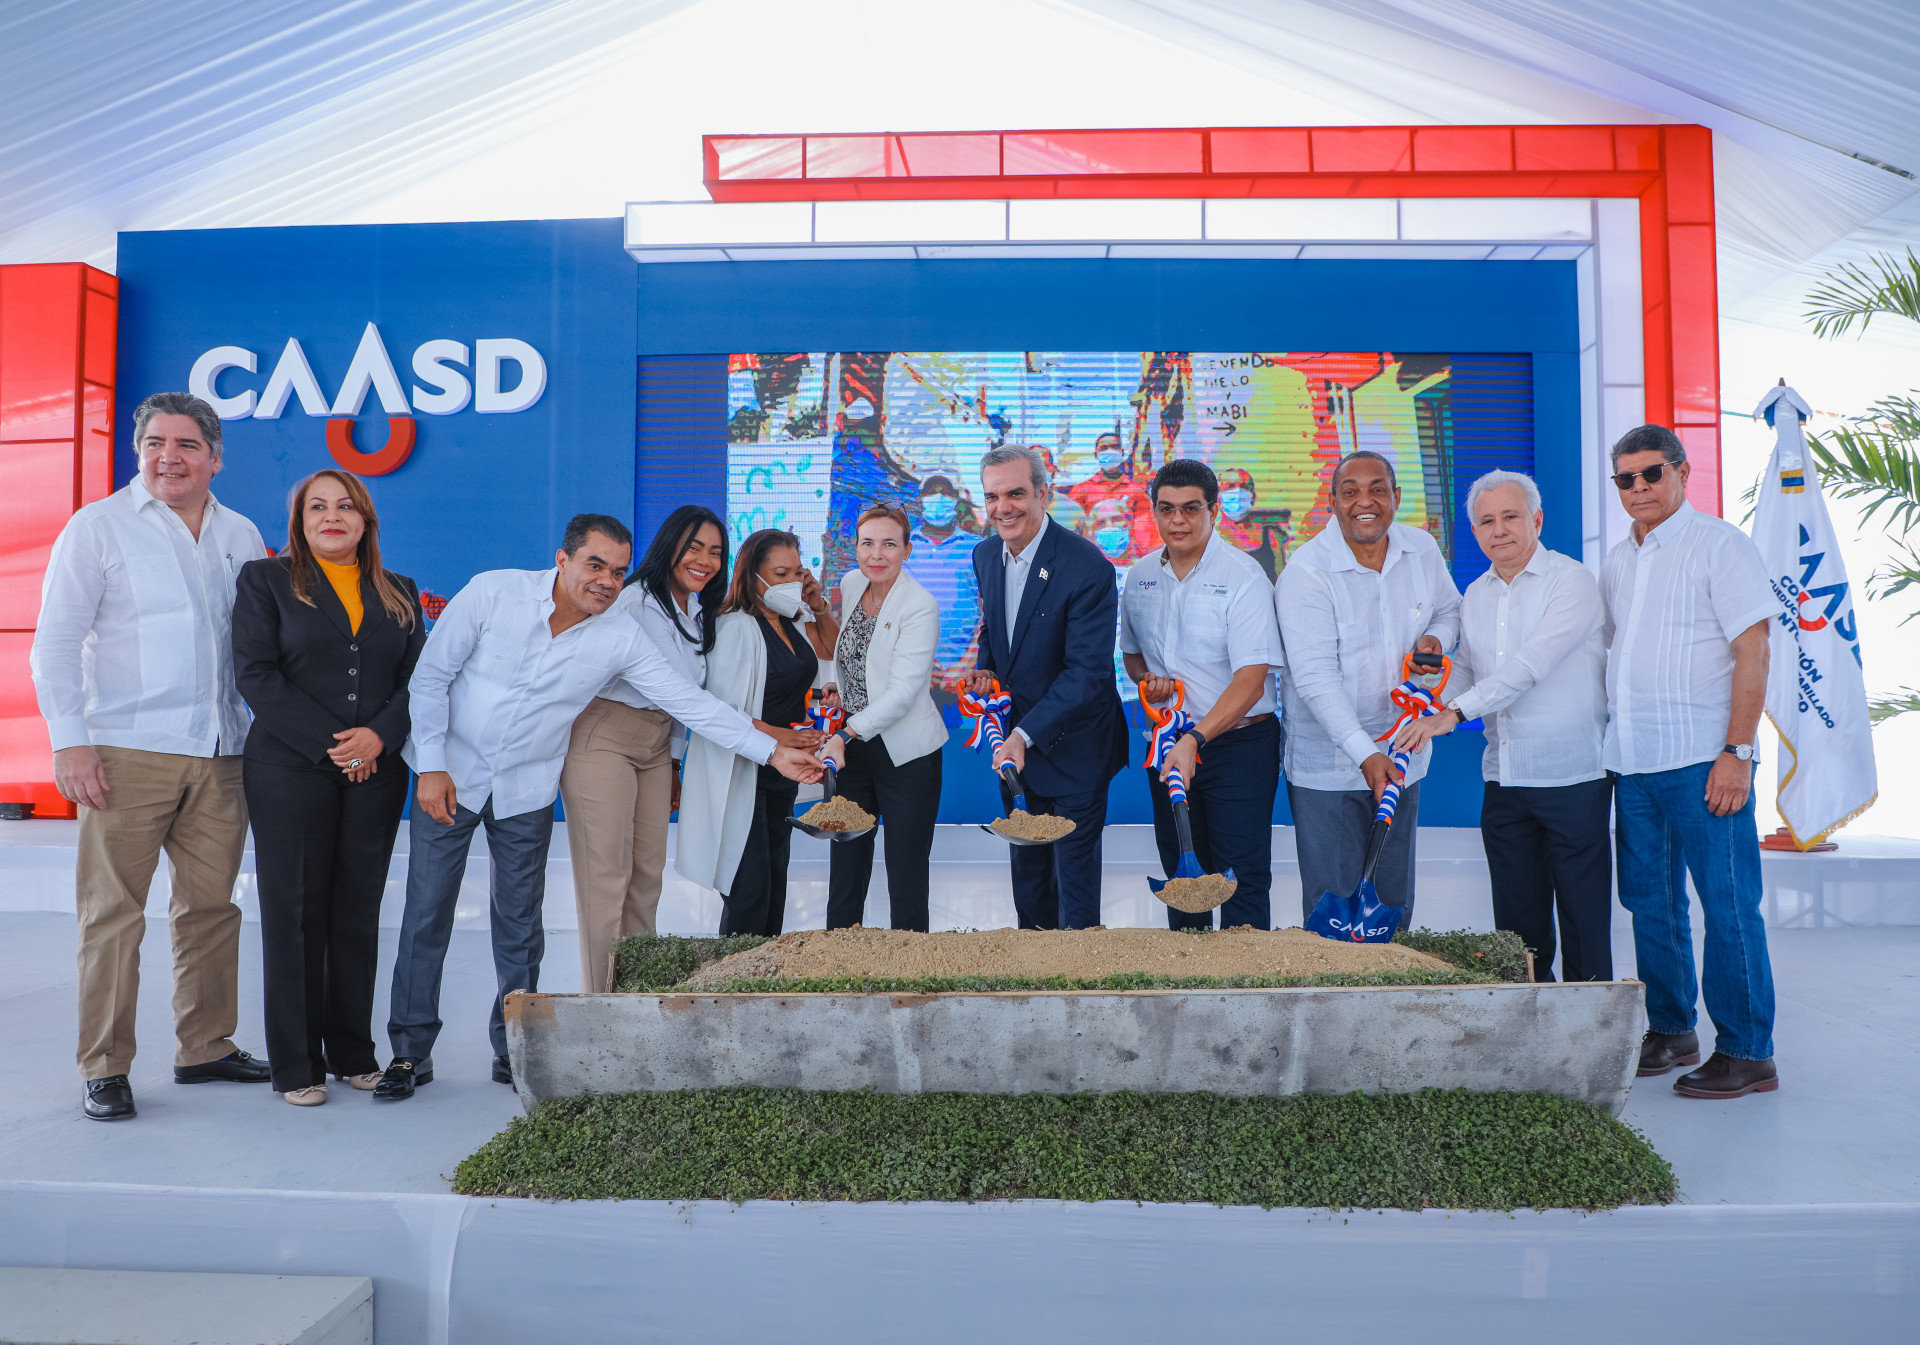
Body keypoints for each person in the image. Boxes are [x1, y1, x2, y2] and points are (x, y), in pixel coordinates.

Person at [382, 515, 822, 1100]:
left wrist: (773, 753)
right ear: (562, 559)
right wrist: (433, 764)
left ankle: (513, 1046)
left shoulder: (619, 634)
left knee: (520, 926)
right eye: (595, 565)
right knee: (427, 913)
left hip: (527, 787)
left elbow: (688, 701)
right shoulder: (494, 592)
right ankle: (410, 1053)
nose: (607, 581)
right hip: (451, 778)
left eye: (618, 571)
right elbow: (432, 677)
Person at [31, 391, 272, 1122]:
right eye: (155, 443)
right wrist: (69, 740)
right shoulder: (97, 526)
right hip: (125, 752)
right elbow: (55, 641)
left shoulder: (241, 532)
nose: (170, 457)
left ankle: (205, 1046)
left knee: (212, 908)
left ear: (215, 457)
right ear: (138, 453)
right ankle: (105, 1067)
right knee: (112, 915)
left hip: (222, 752)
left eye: (187, 444)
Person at [232, 470, 426, 1105]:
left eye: (345, 506)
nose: (332, 516)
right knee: (293, 913)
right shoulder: (265, 581)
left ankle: (352, 1053)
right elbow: (256, 674)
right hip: (289, 768)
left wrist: (378, 738)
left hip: (376, 772)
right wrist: (337, 744)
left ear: (365, 520)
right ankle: (297, 1066)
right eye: (317, 507)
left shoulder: (399, 590)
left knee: (356, 912)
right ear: (300, 521)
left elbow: (419, 681)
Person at [1601, 425, 1779, 1098]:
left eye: (1652, 473)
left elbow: (1753, 651)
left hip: (1705, 761)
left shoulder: (1720, 545)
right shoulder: (1619, 560)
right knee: (1650, 904)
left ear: (1681, 472)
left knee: (1728, 905)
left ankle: (1747, 1051)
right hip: (1634, 762)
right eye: (1626, 478)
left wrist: (1738, 752)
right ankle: (1673, 1030)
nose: (1639, 487)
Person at [1391, 470, 1610, 982]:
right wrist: (1423, 702)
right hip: (1504, 778)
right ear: (1474, 532)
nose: (1499, 529)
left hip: (1572, 777)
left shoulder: (1571, 581)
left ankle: (1589, 1019)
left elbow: (1530, 667)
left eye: (1511, 516)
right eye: (1487, 521)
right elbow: (1468, 670)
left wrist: (1453, 713)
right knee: (1517, 927)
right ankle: (1531, 1016)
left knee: (1583, 917)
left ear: (1537, 519)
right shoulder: (1476, 594)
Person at [1275, 450, 1461, 926]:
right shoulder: (1307, 572)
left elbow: (1450, 610)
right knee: (1333, 911)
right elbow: (1315, 678)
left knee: (1392, 905)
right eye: (1350, 491)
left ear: (1395, 497)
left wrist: (1436, 639)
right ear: (1332, 502)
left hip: (1402, 756)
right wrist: (1365, 755)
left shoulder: (1421, 549)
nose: (1365, 501)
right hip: (1330, 768)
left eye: (1378, 489)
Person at [559, 506, 727, 994]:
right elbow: (680, 691)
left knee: (646, 878)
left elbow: (678, 703)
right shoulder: (636, 602)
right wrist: (770, 739)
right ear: (669, 546)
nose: (705, 560)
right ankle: (600, 1005)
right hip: (605, 738)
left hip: (655, 746)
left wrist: (673, 759)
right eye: (694, 547)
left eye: (716, 552)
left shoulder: (693, 609)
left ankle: (635, 998)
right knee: (606, 879)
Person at [965, 444, 1130, 930]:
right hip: (1017, 754)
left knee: (1074, 898)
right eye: (992, 497)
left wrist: (1023, 735)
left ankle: (1078, 977)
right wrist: (985, 671)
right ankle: (1031, 974)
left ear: (1044, 494)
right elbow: (996, 631)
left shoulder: (1087, 567)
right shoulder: (985, 555)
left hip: (1076, 749)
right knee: (1030, 886)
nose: (1003, 508)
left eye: (1016, 494)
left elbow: (1087, 672)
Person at [1120, 460, 1284, 932]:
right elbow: (1132, 656)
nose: (1178, 520)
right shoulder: (1140, 575)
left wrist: (1195, 739)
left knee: (1241, 878)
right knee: (1184, 879)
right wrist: (1147, 680)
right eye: (1166, 509)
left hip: (1238, 746)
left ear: (1213, 511)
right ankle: (1189, 975)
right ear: (1154, 511)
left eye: (1191, 508)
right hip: (1169, 741)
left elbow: (1251, 680)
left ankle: (1245, 977)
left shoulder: (1244, 576)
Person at [677, 529, 838, 936]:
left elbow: (832, 652)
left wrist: (817, 604)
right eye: (781, 574)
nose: (792, 582)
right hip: (743, 772)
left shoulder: (793, 622)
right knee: (748, 890)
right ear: (753, 576)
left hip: (782, 775)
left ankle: (767, 970)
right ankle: (736, 972)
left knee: (774, 884)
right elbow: (721, 714)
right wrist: (781, 738)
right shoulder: (736, 628)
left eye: (798, 572)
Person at [819, 505, 948, 931]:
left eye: (889, 544)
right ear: (855, 547)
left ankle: (909, 962)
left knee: (905, 870)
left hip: (906, 754)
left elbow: (902, 692)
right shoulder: (852, 583)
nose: (876, 554)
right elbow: (855, 655)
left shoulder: (920, 605)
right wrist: (839, 688)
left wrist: (845, 733)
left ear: (907, 550)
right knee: (846, 864)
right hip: (854, 751)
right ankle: (839, 956)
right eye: (867, 543)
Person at [905, 472, 983, 689]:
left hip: (966, 677)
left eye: (946, 492)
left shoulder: (978, 548)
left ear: (956, 499)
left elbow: (989, 614)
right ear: (920, 499)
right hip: (910, 674)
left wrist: (966, 665)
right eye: (932, 491)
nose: (939, 497)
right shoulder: (902, 546)